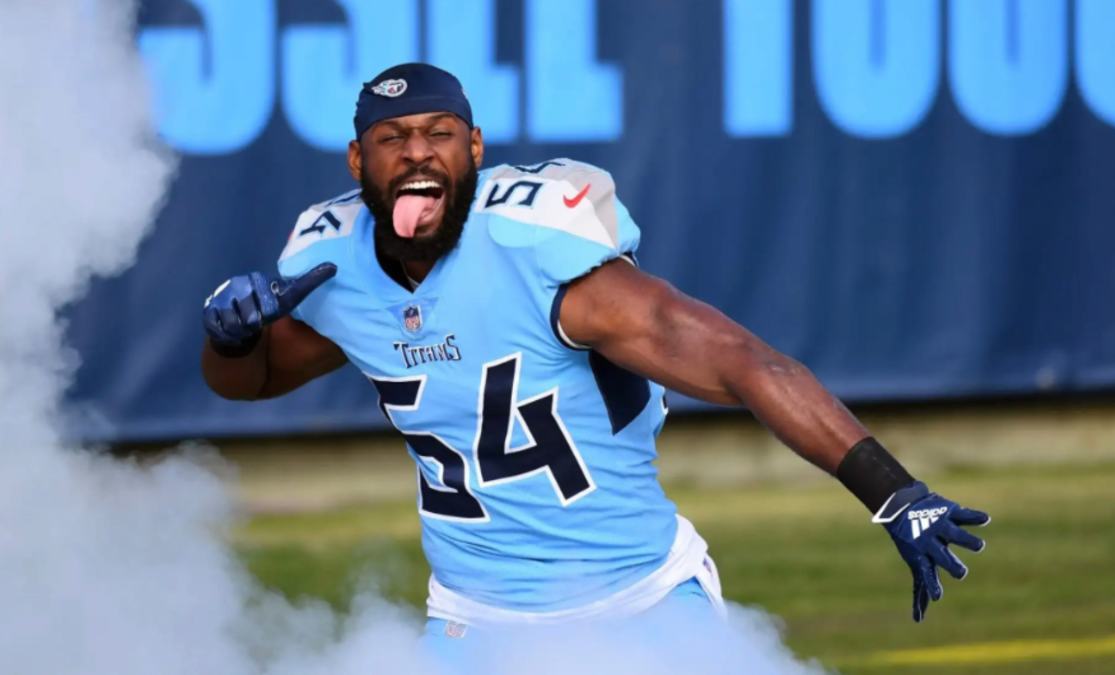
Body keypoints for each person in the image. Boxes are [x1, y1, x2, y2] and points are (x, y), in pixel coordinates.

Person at [201, 63, 989, 659]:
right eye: (392, 138)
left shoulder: (538, 253)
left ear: (474, 148)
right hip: (473, 620)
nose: (417, 154)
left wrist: (893, 491)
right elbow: (252, 378)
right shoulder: (337, 267)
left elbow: (742, 361)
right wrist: (232, 338)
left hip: (637, 603)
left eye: (438, 133)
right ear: (356, 160)